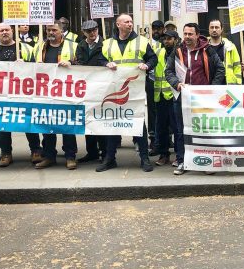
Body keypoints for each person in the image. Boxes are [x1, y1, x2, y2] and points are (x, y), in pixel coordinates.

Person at [97, 14, 157, 173]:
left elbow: (153, 59)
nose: (130, 24)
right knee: (112, 123)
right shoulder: (107, 43)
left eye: (131, 21)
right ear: (118, 24)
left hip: (134, 90)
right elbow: (99, 60)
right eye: (126, 22)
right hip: (114, 90)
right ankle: (110, 158)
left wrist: (147, 65)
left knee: (138, 123)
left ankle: (144, 158)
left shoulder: (142, 42)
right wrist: (105, 63)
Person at [165, 22, 225, 175]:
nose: (187, 37)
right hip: (181, 98)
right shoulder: (177, 51)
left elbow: (220, 69)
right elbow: (168, 71)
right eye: (185, 34)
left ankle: (206, 162)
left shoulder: (208, 50)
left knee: (203, 130)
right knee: (181, 131)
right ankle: (182, 161)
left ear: (198, 35)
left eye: (190, 34)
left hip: (203, 99)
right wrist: (176, 83)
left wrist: (212, 88)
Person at [0, 23, 34, 166]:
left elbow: (38, 68)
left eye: (7, 30)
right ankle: (6, 153)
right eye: (1, 30)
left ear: (12, 31)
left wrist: (25, 64)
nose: (4, 32)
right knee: (3, 123)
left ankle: (35, 150)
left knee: (28, 120)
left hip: (23, 91)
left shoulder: (26, 48)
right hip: (0, 92)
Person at [32, 22, 79, 170]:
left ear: (62, 32)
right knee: (47, 125)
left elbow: (83, 63)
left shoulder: (73, 46)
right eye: (48, 30)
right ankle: (49, 156)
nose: (51, 32)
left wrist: (71, 62)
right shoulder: (39, 47)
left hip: (66, 90)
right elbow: (29, 65)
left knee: (67, 125)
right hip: (46, 91)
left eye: (54, 30)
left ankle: (70, 156)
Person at [75, 19, 108, 164]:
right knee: (88, 120)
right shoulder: (81, 45)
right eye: (89, 31)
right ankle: (91, 151)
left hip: (102, 86)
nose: (92, 33)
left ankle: (105, 152)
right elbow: (79, 62)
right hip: (86, 86)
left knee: (101, 120)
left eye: (94, 30)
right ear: (84, 33)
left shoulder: (106, 44)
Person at [152, 30, 178, 166]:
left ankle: (180, 155)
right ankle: (164, 154)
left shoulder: (180, 53)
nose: (166, 41)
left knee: (177, 127)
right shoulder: (158, 53)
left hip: (175, 95)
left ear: (175, 39)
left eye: (169, 39)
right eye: (165, 39)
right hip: (161, 95)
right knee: (161, 127)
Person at [145, 19, 165, 153]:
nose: (156, 31)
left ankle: (166, 139)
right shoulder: (147, 43)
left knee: (164, 112)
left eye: (159, 28)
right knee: (152, 112)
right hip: (151, 80)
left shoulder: (167, 41)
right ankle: (153, 139)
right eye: (154, 28)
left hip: (165, 81)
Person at [208, 19, 244, 85]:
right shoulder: (203, 47)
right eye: (212, 27)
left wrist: (238, 85)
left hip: (226, 85)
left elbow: (237, 67)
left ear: (221, 29)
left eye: (217, 27)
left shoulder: (230, 47)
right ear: (209, 29)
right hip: (208, 85)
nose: (214, 30)